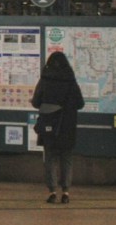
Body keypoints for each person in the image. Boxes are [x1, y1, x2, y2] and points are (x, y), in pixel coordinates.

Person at [31, 51, 85, 204]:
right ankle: (66, 193)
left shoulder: (45, 80)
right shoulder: (70, 81)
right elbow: (80, 103)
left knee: (50, 158)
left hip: (50, 125)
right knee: (66, 158)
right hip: (67, 126)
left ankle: (52, 192)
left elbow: (36, 102)